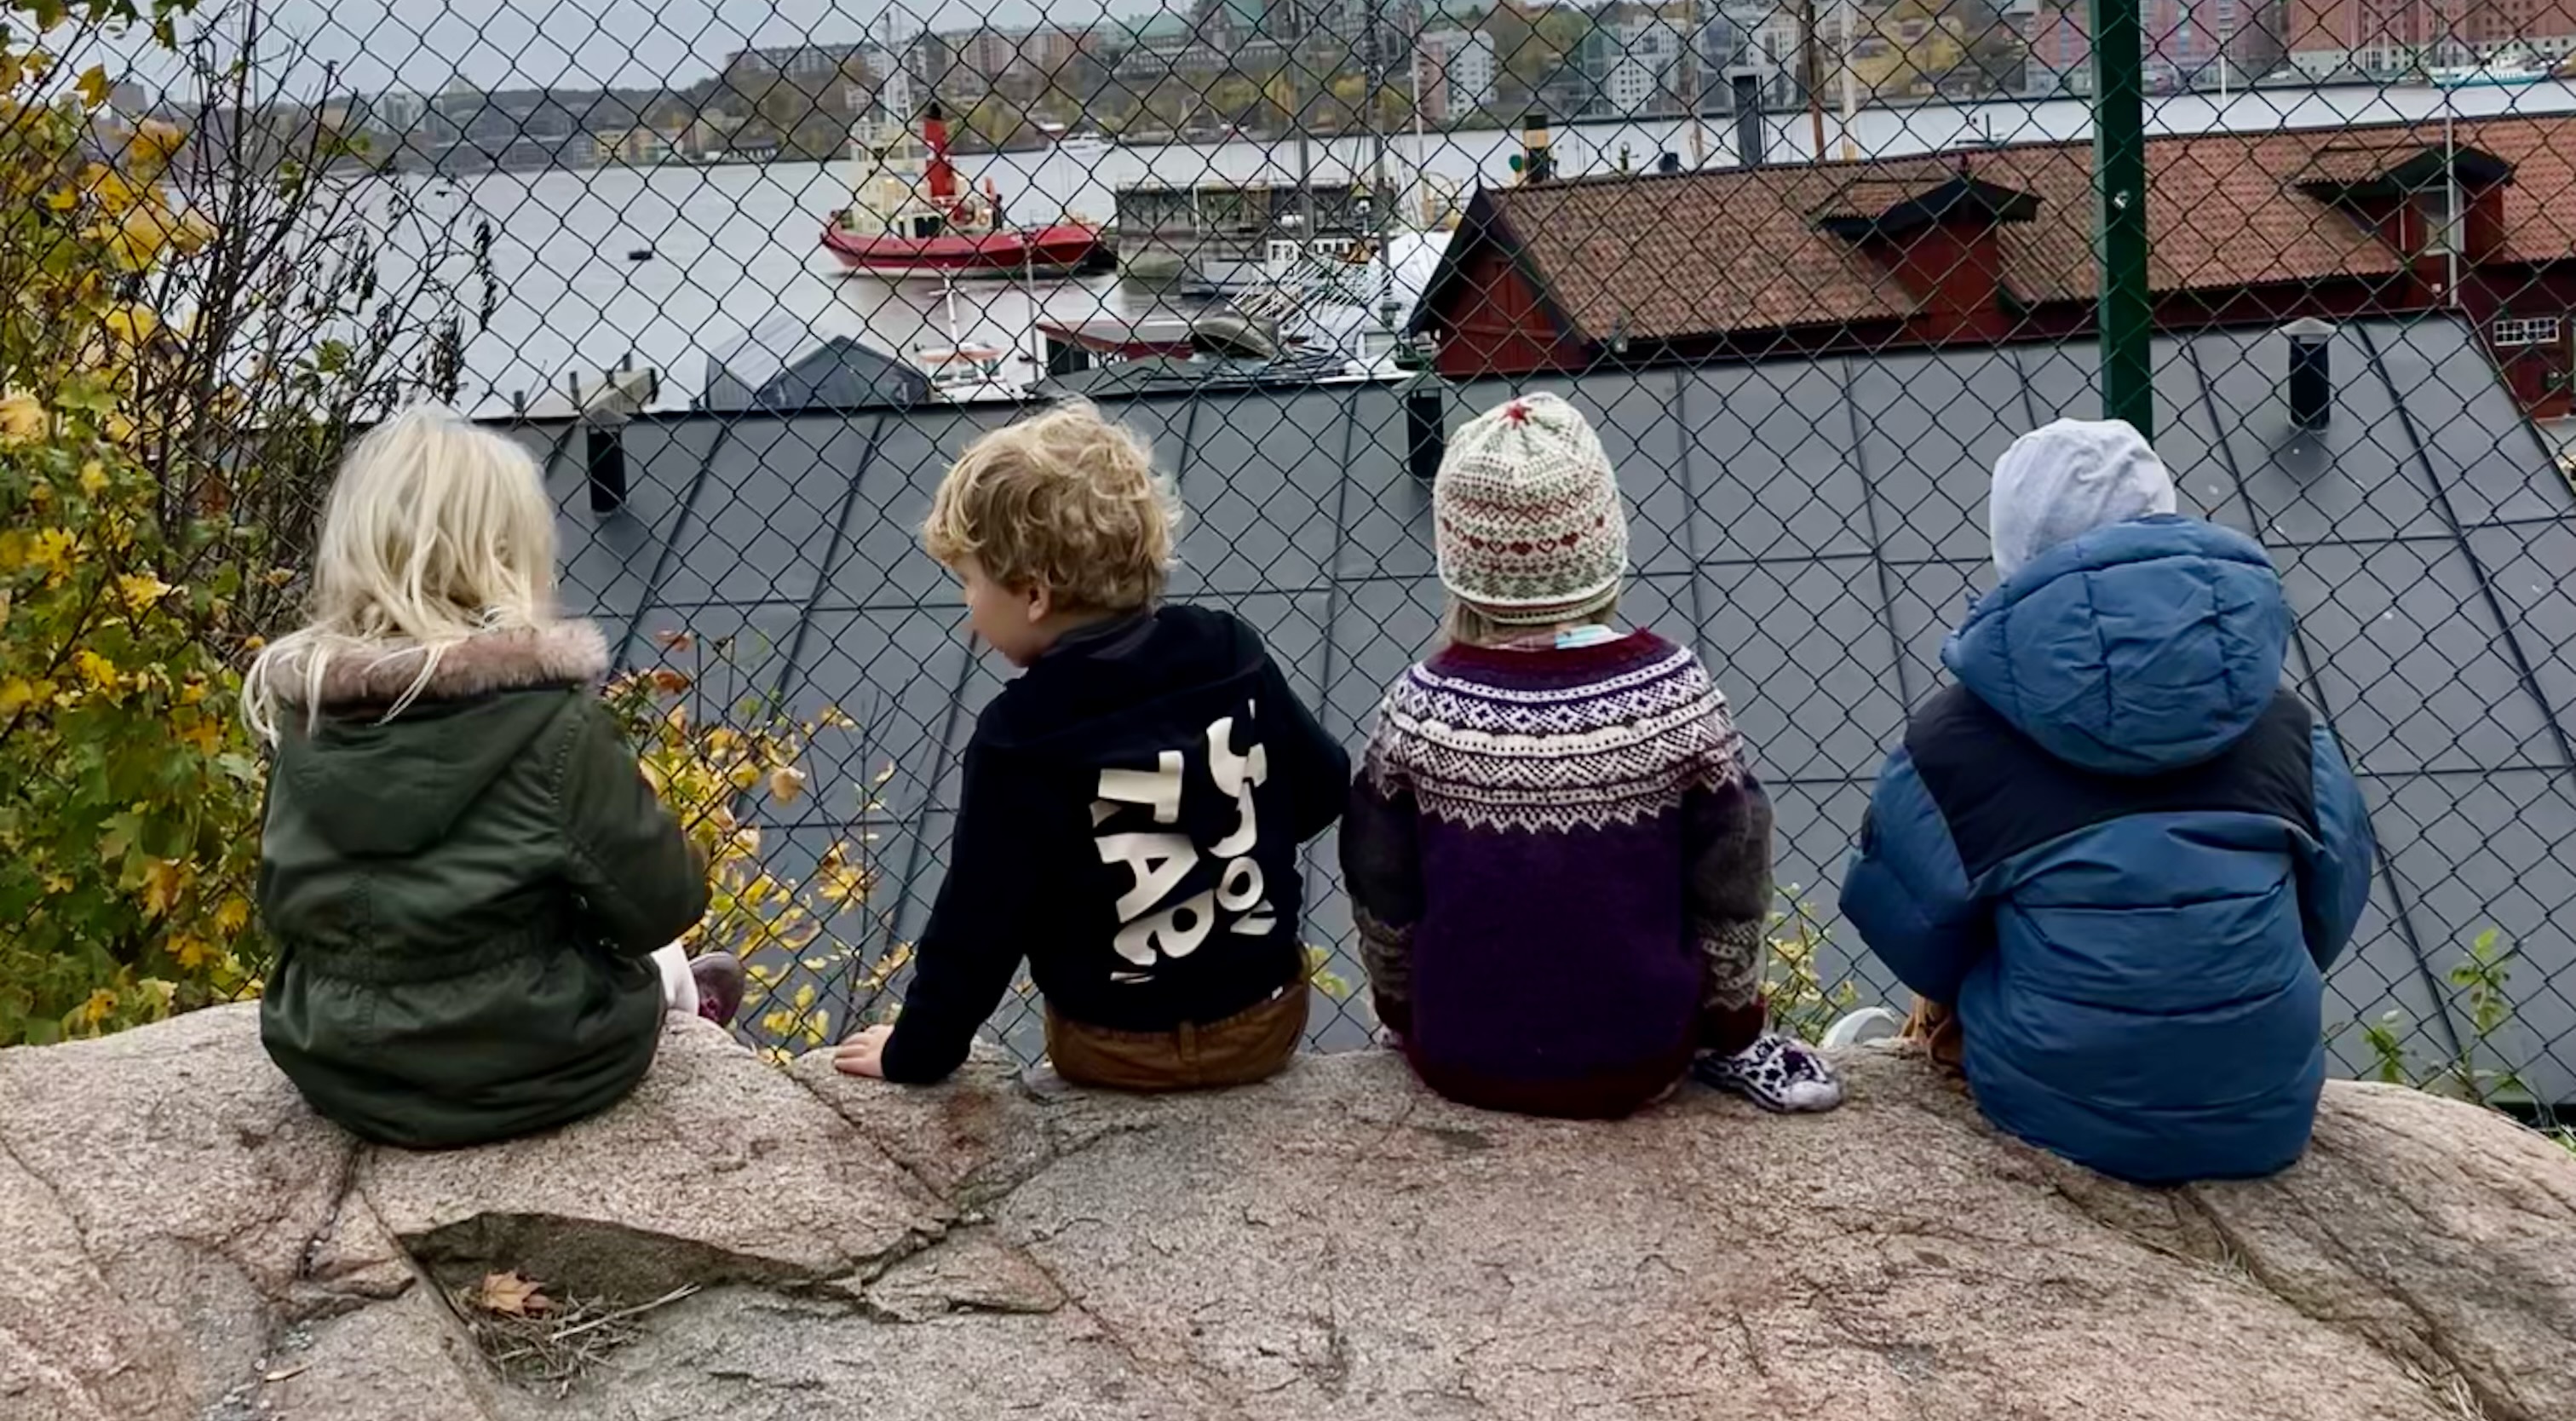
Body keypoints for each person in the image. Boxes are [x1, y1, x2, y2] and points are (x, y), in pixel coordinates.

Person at [1839, 417, 2377, 1185]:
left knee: (1967, 914)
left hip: (2054, 1105)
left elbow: (1913, 936)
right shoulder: (2283, 722)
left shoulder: (1953, 737)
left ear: (2014, 551)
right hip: (2262, 1106)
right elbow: (2330, 907)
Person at [249, 406, 739, 1151]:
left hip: (340, 1063)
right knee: (655, 953)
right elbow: (662, 900)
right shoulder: (553, 725)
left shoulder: (306, 719)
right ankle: (689, 1007)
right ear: (510, 556)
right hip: (536, 1064)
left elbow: (284, 898)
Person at [1340, 393, 1841, 1120]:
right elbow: (1733, 877)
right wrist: (1732, 1024)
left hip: (1459, 1056)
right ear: (1604, 542)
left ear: (1458, 559)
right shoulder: (1675, 692)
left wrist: (1402, 1009)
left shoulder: (1419, 704)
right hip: (1643, 1056)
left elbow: (1379, 882)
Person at [834, 400, 1347, 1091]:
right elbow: (1325, 783)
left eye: (969, 581)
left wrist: (916, 1051)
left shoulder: (1021, 735)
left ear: (1034, 593)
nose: (966, 608)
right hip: (1264, 1020)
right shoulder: (1230, 651)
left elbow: (978, 926)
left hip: (1114, 1043)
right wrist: (1212, 831)